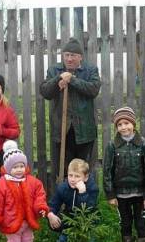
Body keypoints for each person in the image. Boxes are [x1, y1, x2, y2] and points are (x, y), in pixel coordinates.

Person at [103, 107, 145, 242]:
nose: (123, 127)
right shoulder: (112, 146)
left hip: (140, 194)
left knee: (141, 222)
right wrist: (111, 194)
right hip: (121, 194)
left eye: (126, 123)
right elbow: (107, 171)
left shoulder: (143, 144)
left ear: (133, 123)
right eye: (119, 125)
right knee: (125, 222)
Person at [40, 37, 101, 176]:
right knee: (63, 167)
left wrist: (72, 80)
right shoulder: (54, 70)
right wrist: (58, 79)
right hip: (61, 129)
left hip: (84, 130)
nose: (69, 59)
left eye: (73, 55)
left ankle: (82, 195)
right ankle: (65, 194)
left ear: (80, 57)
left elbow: (93, 90)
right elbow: (45, 92)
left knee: (82, 167)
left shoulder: (90, 70)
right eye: (66, 55)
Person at [0, 140, 49, 242]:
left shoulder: (33, 182)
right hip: (11, 221)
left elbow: (39, 196)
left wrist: (41, 207)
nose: (19, 170)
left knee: (28, 238)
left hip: (28, 219)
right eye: (15, 167)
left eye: (21, 166)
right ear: (7, 167)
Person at [47, 158, 98, 242]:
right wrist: (50, 214)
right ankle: (66, 233)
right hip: (70, 216)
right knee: (55, 222)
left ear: (86, 177)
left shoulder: (92, 188)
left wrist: (82, 193)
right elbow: (53, 204)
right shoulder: (63, 188)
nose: (73, 179)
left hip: (87, 219)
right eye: (70, 175)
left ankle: (88, 238)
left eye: (77, 176)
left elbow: (89, 209)